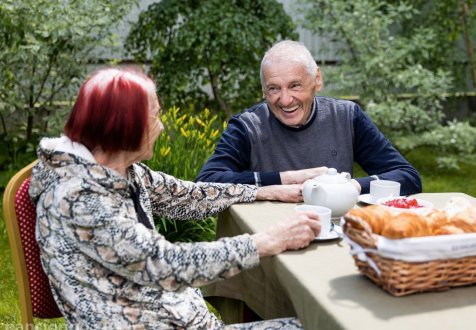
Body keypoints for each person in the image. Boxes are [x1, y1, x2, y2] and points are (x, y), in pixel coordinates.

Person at [29, 68, 321, 329]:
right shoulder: (78, 198)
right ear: (123, 126)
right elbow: (165, 264)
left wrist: (267, 189)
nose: (161, 127)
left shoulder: (119, 171)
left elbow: (187, 197)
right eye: (155, 117)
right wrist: (268, 240)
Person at [196, 40, 422, 198]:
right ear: (264, 90)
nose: (285, 100)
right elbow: (205, 183)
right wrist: (286, 179)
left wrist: (351, 187)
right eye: (274, 89)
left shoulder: (346, 116)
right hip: (271, 239)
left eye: (295, 85)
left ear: (317, 80)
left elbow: (408, 177)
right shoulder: (247, 126)